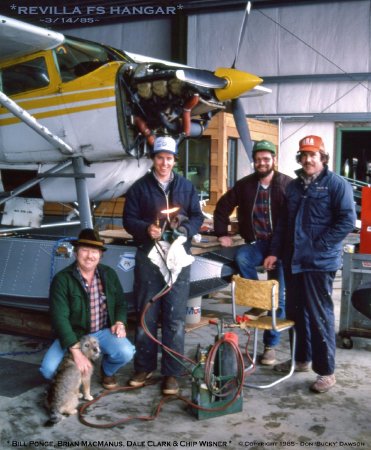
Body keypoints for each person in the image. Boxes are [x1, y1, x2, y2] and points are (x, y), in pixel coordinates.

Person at [264, 135, 356, 393]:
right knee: (295, 312)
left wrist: (321, 244)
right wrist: (274, 252)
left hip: (319, 262)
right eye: (304, 155)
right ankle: (301, 359)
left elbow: (347, 220)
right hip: (293, 260)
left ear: (322, 157)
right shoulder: (293, 187)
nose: (307, 159)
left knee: (319, 314)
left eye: (312, 155)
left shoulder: (337, 185)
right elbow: (283, 224)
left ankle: (326, 371)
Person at [122, 135, 204, 395]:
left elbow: (197, 216)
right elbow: (128, 220)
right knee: (147, 313)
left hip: (178, 258)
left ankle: (172, 373)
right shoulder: (139, 188)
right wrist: (146, 229)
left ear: (174, 160)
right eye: (160, 158)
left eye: (169, 158)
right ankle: (144, 367)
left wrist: (187, 229)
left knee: (175, 318)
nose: (164, 163)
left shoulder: (187, 187)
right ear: (153, 159)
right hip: (149, 258)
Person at [213, 139, 292, 365]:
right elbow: (222, 208)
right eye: (258, 160)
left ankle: (270, 346)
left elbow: (292, 221)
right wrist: (222, 233)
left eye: (266, 159)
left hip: (283, 247)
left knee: (278, 295)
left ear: (274, 160)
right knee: (242, 256)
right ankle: (258, 298)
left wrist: (278, 252)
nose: (262, 163)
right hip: (258, 243)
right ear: (254, 162)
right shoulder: (244, 185)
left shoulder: (288, 185)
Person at [40, 228, 135, 390]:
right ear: (76, 253)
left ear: (100, 255)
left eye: (95, 251)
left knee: (126, 352)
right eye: (85, 250)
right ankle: (73, 379)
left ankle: (106, 371)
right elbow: (59, 319)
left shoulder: (109, 274)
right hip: (74, 334)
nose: (90, 256)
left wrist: (119, 322)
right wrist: (76, 352)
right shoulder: (62, 279)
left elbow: (120, 303)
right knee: (48, 371)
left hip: (101, 332)